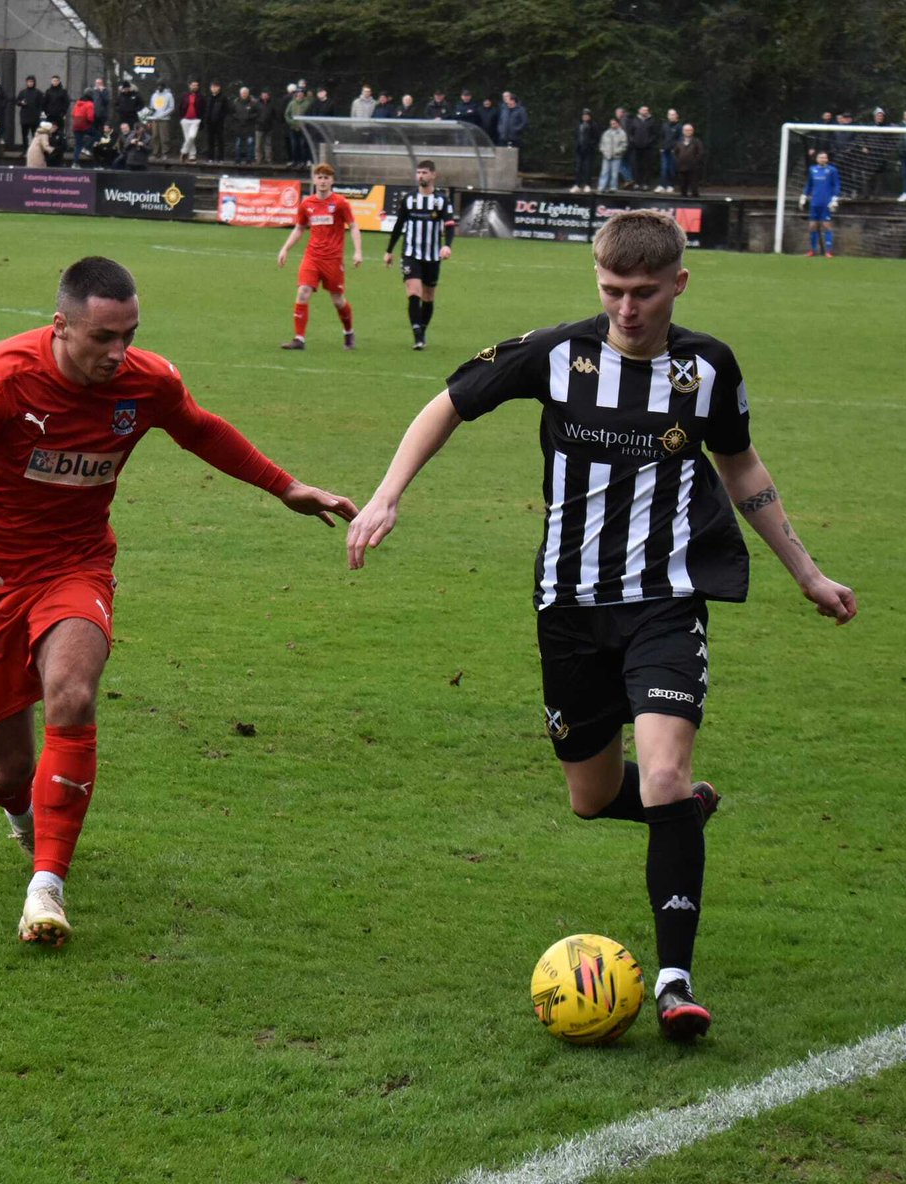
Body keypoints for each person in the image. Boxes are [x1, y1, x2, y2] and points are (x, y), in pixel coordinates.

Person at [346, 208, 857, 1042]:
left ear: (677, 284)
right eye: (613, 289)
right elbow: (447, 403)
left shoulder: (707, 367)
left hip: (665, 601)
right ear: (597, 279)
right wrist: (385, 496)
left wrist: (806, 571)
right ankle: (681, 811)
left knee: (661, 774)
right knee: (590, 797)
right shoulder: (554, 353)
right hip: (568, 607)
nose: (626, 307)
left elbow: (740, 467)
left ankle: (674, 981)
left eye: (644, 292)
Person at [0, 256, 357, 945]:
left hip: (77, 564)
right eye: (103, 337)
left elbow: (199, 428)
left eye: (129, 335)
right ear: (61, 327)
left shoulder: (147, 382)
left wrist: (284, 486)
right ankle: (23, 814)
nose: (118, 353)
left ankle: (46, 888)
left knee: (72, 695)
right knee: (8, 771)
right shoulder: (0, 377)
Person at [276, 163, 362, 351]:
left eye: (326, 178)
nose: (323, 181)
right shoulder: (307, 204)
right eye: (320, 177)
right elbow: (299, 228)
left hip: (333, 259)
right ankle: (299, 339)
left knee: (337, 300)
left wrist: (358, 251)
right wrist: (285, 249)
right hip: (312, 257)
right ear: (314, 180)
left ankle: (348, 332)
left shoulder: (340, 203)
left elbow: (353, 226)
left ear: (332, 181)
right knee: (303, 291)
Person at [383, 159, 456, 350]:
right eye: (418, 172)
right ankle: (417, 336)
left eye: (424, 172)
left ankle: (422, 330)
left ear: (433, 175)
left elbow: (450, 225)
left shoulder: (442, 200)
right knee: (414, 291)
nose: (421, 176)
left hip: (432, 256)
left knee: (428, 297)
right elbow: (398, 226)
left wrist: (447, 246)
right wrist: (389, 251)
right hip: (411, 254)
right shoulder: (409, 199)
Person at [799, 149, 841, 257]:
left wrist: (835, 198)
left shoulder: (832, 170)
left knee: (826, 225)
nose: (823, 159)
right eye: (821, 157)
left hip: (826, 202)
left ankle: (828, 251)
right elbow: (809, 184)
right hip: (815, 202)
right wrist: (804, 195)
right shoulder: (812, 169)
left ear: (827, 159)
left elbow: (836, 185)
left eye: (824, 157)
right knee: (812, 226)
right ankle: (812, 250)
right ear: (817, 159)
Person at [673, 122, 705, 197]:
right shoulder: (678, 141)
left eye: (689, 130)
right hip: (681, 166)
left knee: (694, 184)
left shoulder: (697, 141)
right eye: (686, 130)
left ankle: (695, 198)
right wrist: (677, 161)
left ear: (692, 131)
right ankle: (683, 197)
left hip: (693, 166)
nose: (688, 132)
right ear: (683, 131)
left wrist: (695, 161)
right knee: (682, 184)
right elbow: (675, 152)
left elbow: (700, 152)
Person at [571, 107, 599, 192]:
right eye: (583, 115)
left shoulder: (593, 125)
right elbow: (576, 135)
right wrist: (576, 144)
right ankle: (577, 185)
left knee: (588, 168)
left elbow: (596, 138)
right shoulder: (579, 124)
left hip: (589, 150)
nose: (585, 116)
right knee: (578, 168)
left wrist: (591, 145)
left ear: (590, 116)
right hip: (579, 149)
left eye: (587, 115)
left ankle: (587, 184)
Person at [177, 80, 205, 164]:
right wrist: (181, 118)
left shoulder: (201, 97)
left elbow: (203, 109)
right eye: (193, 85)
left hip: (195, 120)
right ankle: (192, 155)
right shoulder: (185, 96)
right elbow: (180, 106)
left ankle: (183, 152)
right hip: (185, 120)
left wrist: (201, 119)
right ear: (190, 86)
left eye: (196, 85)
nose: (195, 87)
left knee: (192, 136)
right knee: (187, 138)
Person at [231, 86, 260, 165]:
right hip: (239, 126)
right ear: (240, 94)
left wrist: (249, 117)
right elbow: (232, 113)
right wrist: (238, 117)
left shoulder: (253, 103)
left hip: (249, 127)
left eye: (245, 93)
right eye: (242, 93)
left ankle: (249, 160)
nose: (244, 94)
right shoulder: (236, 102)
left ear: (248, 93)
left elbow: (257, 113)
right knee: (238, 144)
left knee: (250, 144)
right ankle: (237, 160)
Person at [597, 116, 627, 191]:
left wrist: (617, 151)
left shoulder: (622, 133)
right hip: (606, 156)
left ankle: (613, 187)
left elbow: (624, 145)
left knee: (614, 173)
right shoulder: (606, 132)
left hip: (616, 156)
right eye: (611, 124)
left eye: (614, 123)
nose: (612, 125)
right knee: (604, 172)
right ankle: (602, 187)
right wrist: (603, 151)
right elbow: (602, 144)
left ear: (618, 124)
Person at [16, 76, 44, 149]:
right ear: (26, 82)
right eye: (28, 82)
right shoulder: (22, 92)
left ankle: (35, 150)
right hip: (24, 117)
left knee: (35, 135)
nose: (30, 83)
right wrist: (21, 103)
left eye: (31, 82)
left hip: (34, 117)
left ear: (34, 83)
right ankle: (25, 150)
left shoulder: (38, 93)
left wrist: (39, 113)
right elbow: (17, 102)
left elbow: (42, 104)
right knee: (24, 135)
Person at [148, 80, 175, 159]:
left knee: (164, 137)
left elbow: (171, 107)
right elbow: (151, 107)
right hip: (154, 119)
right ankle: (155, 152)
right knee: (155, 136)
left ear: (164, 87)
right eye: (158, 86)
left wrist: (162, 115)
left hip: (164, 119)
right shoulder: (154, 95)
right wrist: (149, 115)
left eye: (161, 86)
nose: (159, 87)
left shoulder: (169, 95)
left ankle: (165, 152)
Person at [203, 81, 229, 162]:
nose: (213, 89)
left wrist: (221, 118)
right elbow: (206, 109)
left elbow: (226, 110)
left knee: (220, 140)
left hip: (219, 123)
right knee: (210, 141)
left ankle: (220, 158)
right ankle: (210, 158)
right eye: (212, 87)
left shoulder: (223, 98)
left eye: (215, 87)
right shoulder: (209, 98)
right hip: (210, 123)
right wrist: (206, 119)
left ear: (219, 88)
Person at [658, 108, 681, 193]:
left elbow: (680, 139)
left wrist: (675, 149)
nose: (672, 116)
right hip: (665, 151)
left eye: (673, 114)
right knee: (664, 168)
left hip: (673, 151)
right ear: (668, 116)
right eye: (670, 114)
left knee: (672, 169)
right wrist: (661, 147)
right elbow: (661, 137)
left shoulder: (679, 126)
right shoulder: (664, 125)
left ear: (676, 116)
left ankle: (670, 185)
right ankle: (662, 185)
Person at [70, 92, 96, 166]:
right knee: (97, 135)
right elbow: (90, 117)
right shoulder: (90, 104)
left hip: (76, 126)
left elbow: (72, 114)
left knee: (78, 145)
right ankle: (86, 147)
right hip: (85, 125)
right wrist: (91, 122)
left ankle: (75, 163)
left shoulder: (77, 104)